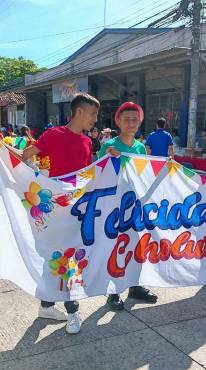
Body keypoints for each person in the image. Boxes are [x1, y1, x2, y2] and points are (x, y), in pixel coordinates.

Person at [21, 93, 100, 334]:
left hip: (76, 209)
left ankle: (46, 305)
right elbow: (25, 156)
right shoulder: (53, 135)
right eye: (93, 114)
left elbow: (88, 174)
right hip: (54, 209)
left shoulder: (87, 142)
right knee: (64, 257)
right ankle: (72, 310)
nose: (95, 119)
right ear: (79, 112)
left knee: (64, 257)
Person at [98, 101, 159, 310]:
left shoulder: (140, 147)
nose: (131, 123)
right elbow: (100, 177)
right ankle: (112, 292)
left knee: (137, 246)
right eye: (127, 119)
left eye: (135, 119)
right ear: (118, 121)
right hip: (114, 208)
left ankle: (135, 286)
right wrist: (111, 159)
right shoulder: (109, 147)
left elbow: (144, 175)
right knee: (115, 247)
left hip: (136, 206)